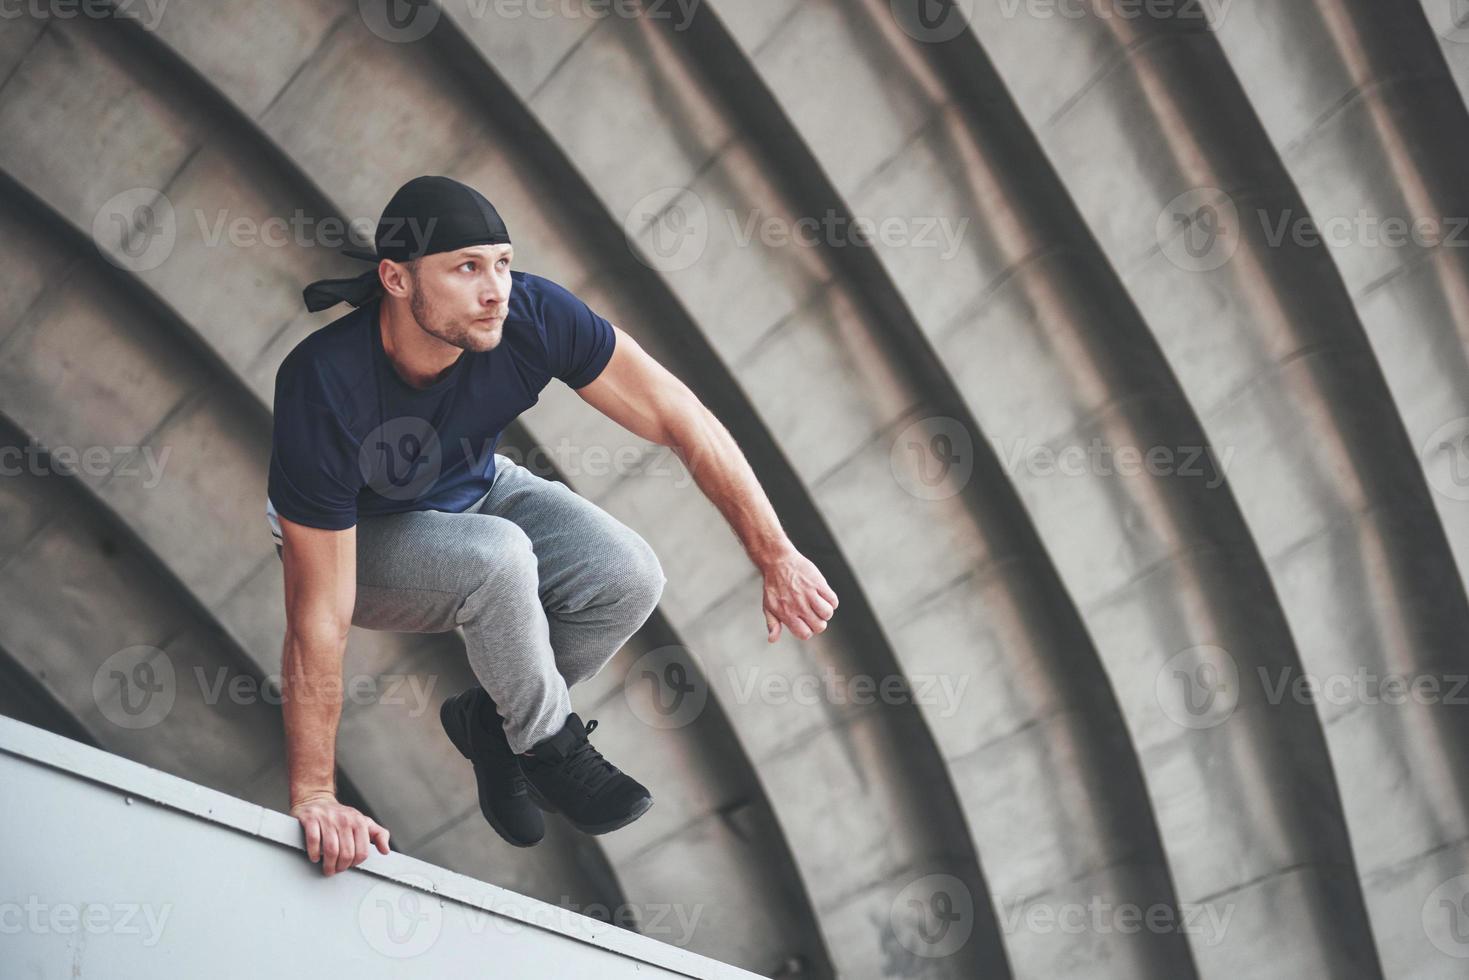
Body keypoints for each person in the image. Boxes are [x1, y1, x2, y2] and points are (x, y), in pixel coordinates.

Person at [268, 175, 839, 877]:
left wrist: (774, 553)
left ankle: (494, 725)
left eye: (503, 263)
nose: (495, 289)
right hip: (361, 541)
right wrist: (316, 793)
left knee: (627, 573)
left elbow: (679, 415)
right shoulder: (324, 384)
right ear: (395, 278)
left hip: (474, 488)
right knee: (498, 556)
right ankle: (549, 746)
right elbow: (316, 614)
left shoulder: (532, 317)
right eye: (466, 268)